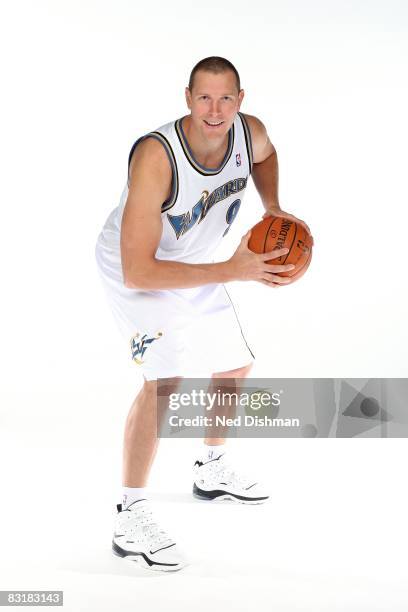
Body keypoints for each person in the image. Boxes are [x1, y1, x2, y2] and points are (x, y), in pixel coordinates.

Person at [95, 56, 313, 572]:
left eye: (226, 98)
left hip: (201, 261)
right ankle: (130, 513)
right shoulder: (158, 157)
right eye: (204, 98)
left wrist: (274, 206)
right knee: (165, 378)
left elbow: (267, 155)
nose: (215, 110)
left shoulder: (249, 132)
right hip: (139, 267)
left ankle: (211, 470)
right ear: (187, 99)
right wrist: (233, 270)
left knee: (234, 365)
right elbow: (138, 272)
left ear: (241, 100)